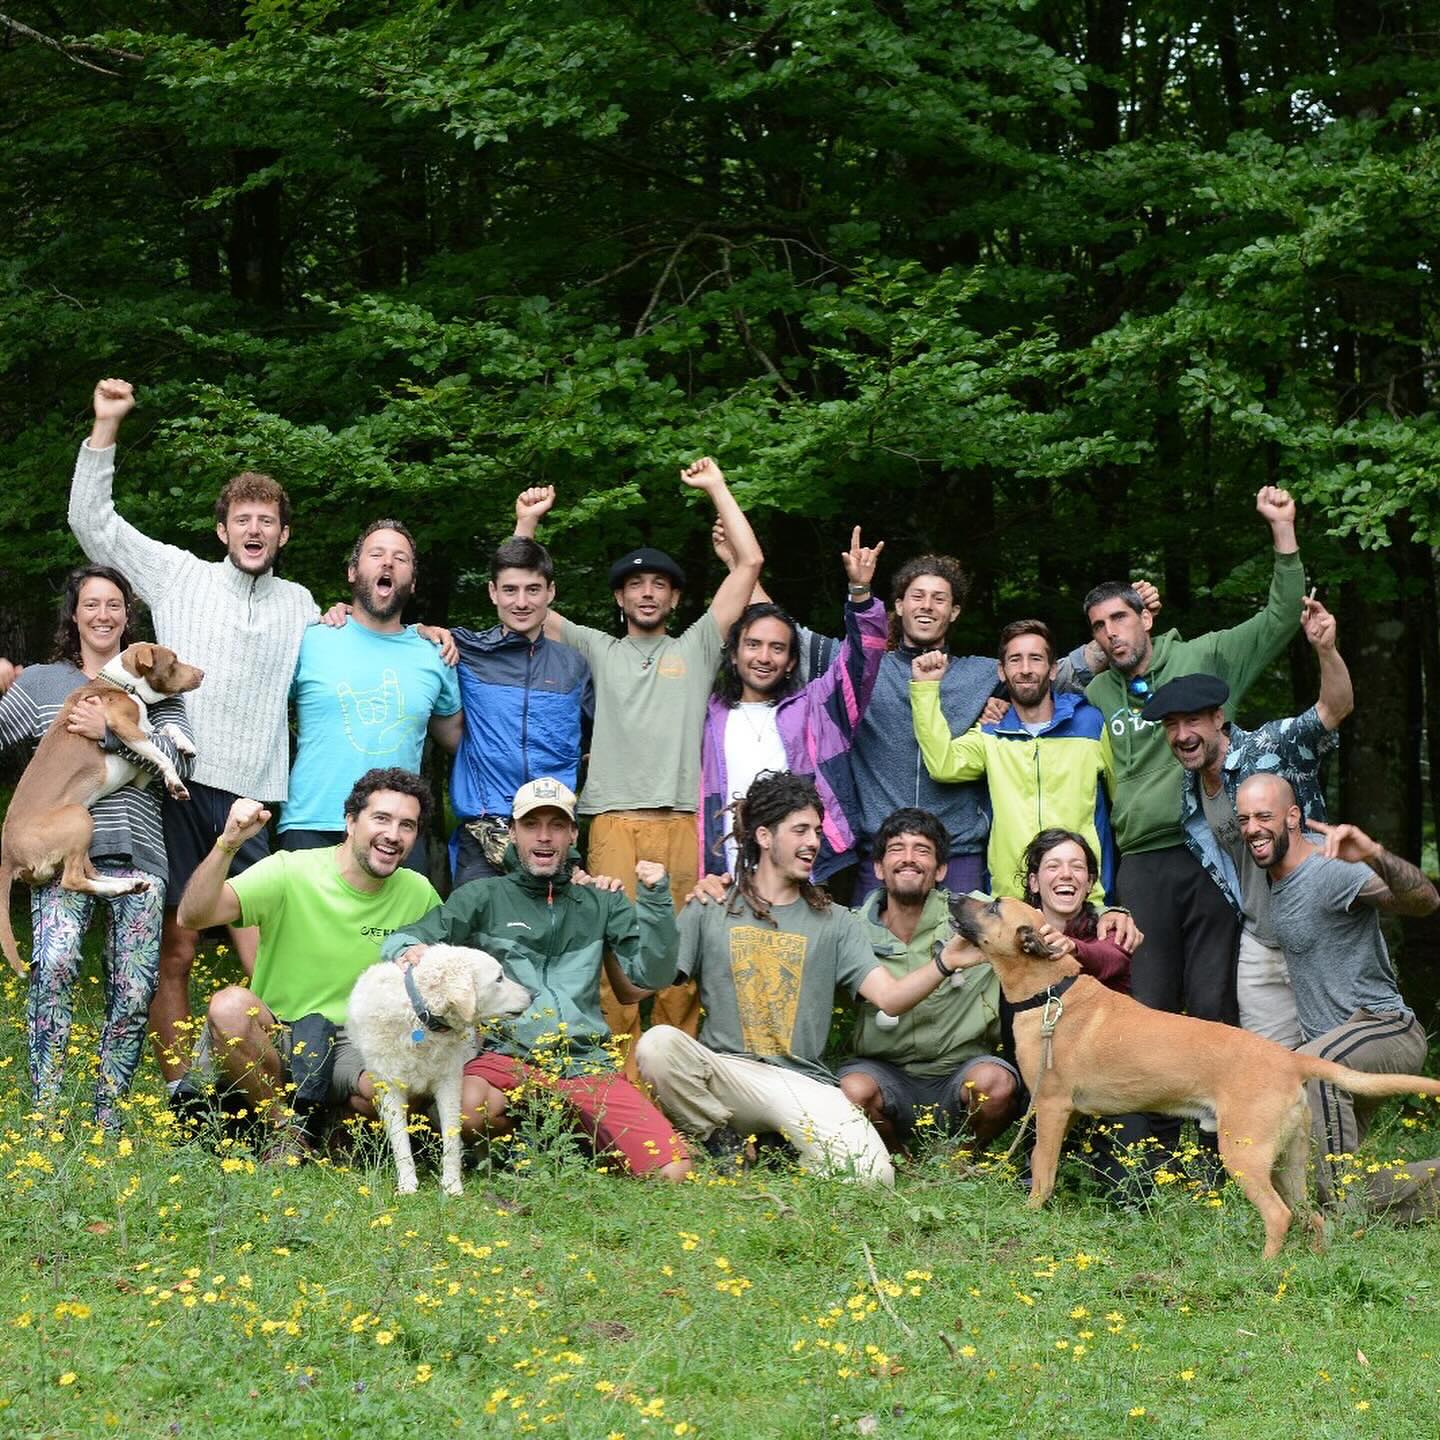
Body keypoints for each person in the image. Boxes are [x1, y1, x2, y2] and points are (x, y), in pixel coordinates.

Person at [65, 377, 320, 1103]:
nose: (254, 530)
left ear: (282, 534)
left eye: (266, 520)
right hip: (179, 791)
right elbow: (95, 523)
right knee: (175, 946)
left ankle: (285, 1092)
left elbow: (354, 644)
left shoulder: (302, 606)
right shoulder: (177, 575)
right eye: (242, 518)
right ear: (222, 530)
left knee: (270, 955)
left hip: (257, 799)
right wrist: (105, 426)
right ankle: (187, 1097)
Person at [626, 773, 975, 1185]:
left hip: (799, 1081)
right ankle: (721, 1141)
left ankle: (780, 1154)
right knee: (657, 1044)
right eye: (801, 830)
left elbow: (890, 998)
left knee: (872, 1177)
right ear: (764, 836)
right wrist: (651, 903)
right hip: (727, 1075)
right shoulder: (713, 904)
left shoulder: (836, 921)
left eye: (817, 831)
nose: (813, 841)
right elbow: (642, 986)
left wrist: (946, 962)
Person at [523, 457, 764, 1055]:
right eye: (635, 584)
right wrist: (525, 526)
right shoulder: (599, 649)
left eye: (659, 584)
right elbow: (526, 602)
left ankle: (676, 1084)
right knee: (617, 959)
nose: (647, 592)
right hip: (612, 821)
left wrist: (717, 486)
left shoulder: (702, 645)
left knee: (679, 963)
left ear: (676, 598)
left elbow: (751, 564)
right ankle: (619, 1091)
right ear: (619, 597)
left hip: (685, 819)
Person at [380, 778, 690, 1180]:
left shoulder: (602, 900)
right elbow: (407, 936)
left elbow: (651, 975)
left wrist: (656, 900)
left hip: (585, 1063)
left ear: (573, 834)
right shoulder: (483, 896)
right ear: (513, 833)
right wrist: (406, 951)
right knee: (463, 1111)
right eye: (531, 825)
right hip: (507, 1056)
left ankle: (573, 1140)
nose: (544, 837)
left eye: (557, 825)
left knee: (673, 1171)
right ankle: (530, 1147)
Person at [1082, 485, 1305, 1039]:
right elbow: (1033, 680)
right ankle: (1145, 1129)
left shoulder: (1202, 658)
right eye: (1098, 626)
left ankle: (1219, 1129)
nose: (1111, 633)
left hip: (1206, 850)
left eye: (1119, 618)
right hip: (1140, 864)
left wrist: (1283, 531)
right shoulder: (1095, 696)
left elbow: (1280, 619)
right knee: (1147, 1006)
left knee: (1213, 1001)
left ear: (1146, 618)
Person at [0, 566, 195, 1130]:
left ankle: (108, 1118)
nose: (103, 614)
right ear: (75, 615)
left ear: (126, 618)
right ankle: (45, 1114)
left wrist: (106, 731)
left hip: (139, 850)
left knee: (135, 988)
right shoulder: (40, 683)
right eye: (92, 604)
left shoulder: (155, 682)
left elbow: (181, 765)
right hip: (62, 850)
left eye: (114, 604)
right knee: (56, 965)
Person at [176, 768, 441, 1154]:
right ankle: (286, 1131)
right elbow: (192, 916)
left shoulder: (419, 892)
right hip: (283, 1032)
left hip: (361, 1041)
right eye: (381, 819)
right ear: (350, 822)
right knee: (229, 1006)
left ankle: (334, 1127)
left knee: (411, 1076)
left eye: (407, 825)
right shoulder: (290, 870)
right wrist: (227, 845)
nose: (393, 835)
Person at [1139, 596, 1352, 1046]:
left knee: (1332, 1060)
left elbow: (1334, 709)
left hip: (1314, 929)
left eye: (1192, 721)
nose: (1182, 735)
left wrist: (1326, 651)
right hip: (1259, 939)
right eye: (1171, 726)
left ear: (1219, 717)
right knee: (1267, 1070)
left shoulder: (1271, 747)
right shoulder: (1190, 788)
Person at [1236, 774, 1440, 1214]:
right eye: (1245, 818)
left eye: (1264, 816)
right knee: (1301, 1176)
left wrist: (1374, 855)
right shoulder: (1273, 877)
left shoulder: (1329, 870)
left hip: (1384, 1029)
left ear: (1293, 817)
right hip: (1338, 1050)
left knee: (1307, 1073)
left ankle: (1337, 1228)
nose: (1252, 827)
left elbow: (1425, 901)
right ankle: (1392, 1200)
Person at [700, 525, 886, 881]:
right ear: (734, 655)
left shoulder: (817, 708)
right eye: (753, 645)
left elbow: (863, 659)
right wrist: (739, 567)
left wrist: (860, 593)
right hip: (724, 873)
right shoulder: (707, 714)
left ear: (790, 663)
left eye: (778, 648)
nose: (764, 657)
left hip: (811, 872)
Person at [280, 520, 462, 872]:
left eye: (400, 558)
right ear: (352, 571)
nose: (388, 563)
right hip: (313, 824)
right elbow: (262, 713)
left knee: (405, 931)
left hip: (398, 832)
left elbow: (459, 740)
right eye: (376, 554)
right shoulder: (309, 639)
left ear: (413, 583)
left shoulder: (435, 653)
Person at [837, 807, 1021, 1154]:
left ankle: (960, 1158)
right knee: (851, 1090)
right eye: (896, 849)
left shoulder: (976, 916)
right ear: (878, 867)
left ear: (940, 870)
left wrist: (1105, 913)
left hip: (960, 1070)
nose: (909, 859)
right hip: (885, 1072)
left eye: (922, 850)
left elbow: (1037, 916)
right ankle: (897, 1157)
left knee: (996, 1084)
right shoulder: (851, 929)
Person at [911, 619, 1116, 906]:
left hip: (1082, 895)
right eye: (1015, 660)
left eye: (1036, 658)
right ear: (1002, 671)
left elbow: (1122, 798)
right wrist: (926, 690)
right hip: (1011, 900)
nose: (1025, 669)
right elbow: (943, 764)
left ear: (1053, 669)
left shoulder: (1090, 723)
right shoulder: (990, 733)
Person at [447, 529, 590, 885]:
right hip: (484, 829)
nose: (521, 602)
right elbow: (403, 635)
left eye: (533, 589)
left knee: (558, 938)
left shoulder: (575, 666)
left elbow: (592, 742)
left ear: (551, 592)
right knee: (474, 940)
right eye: (510, 590)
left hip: (551, 829)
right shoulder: (465, 651)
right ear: (493, 592)